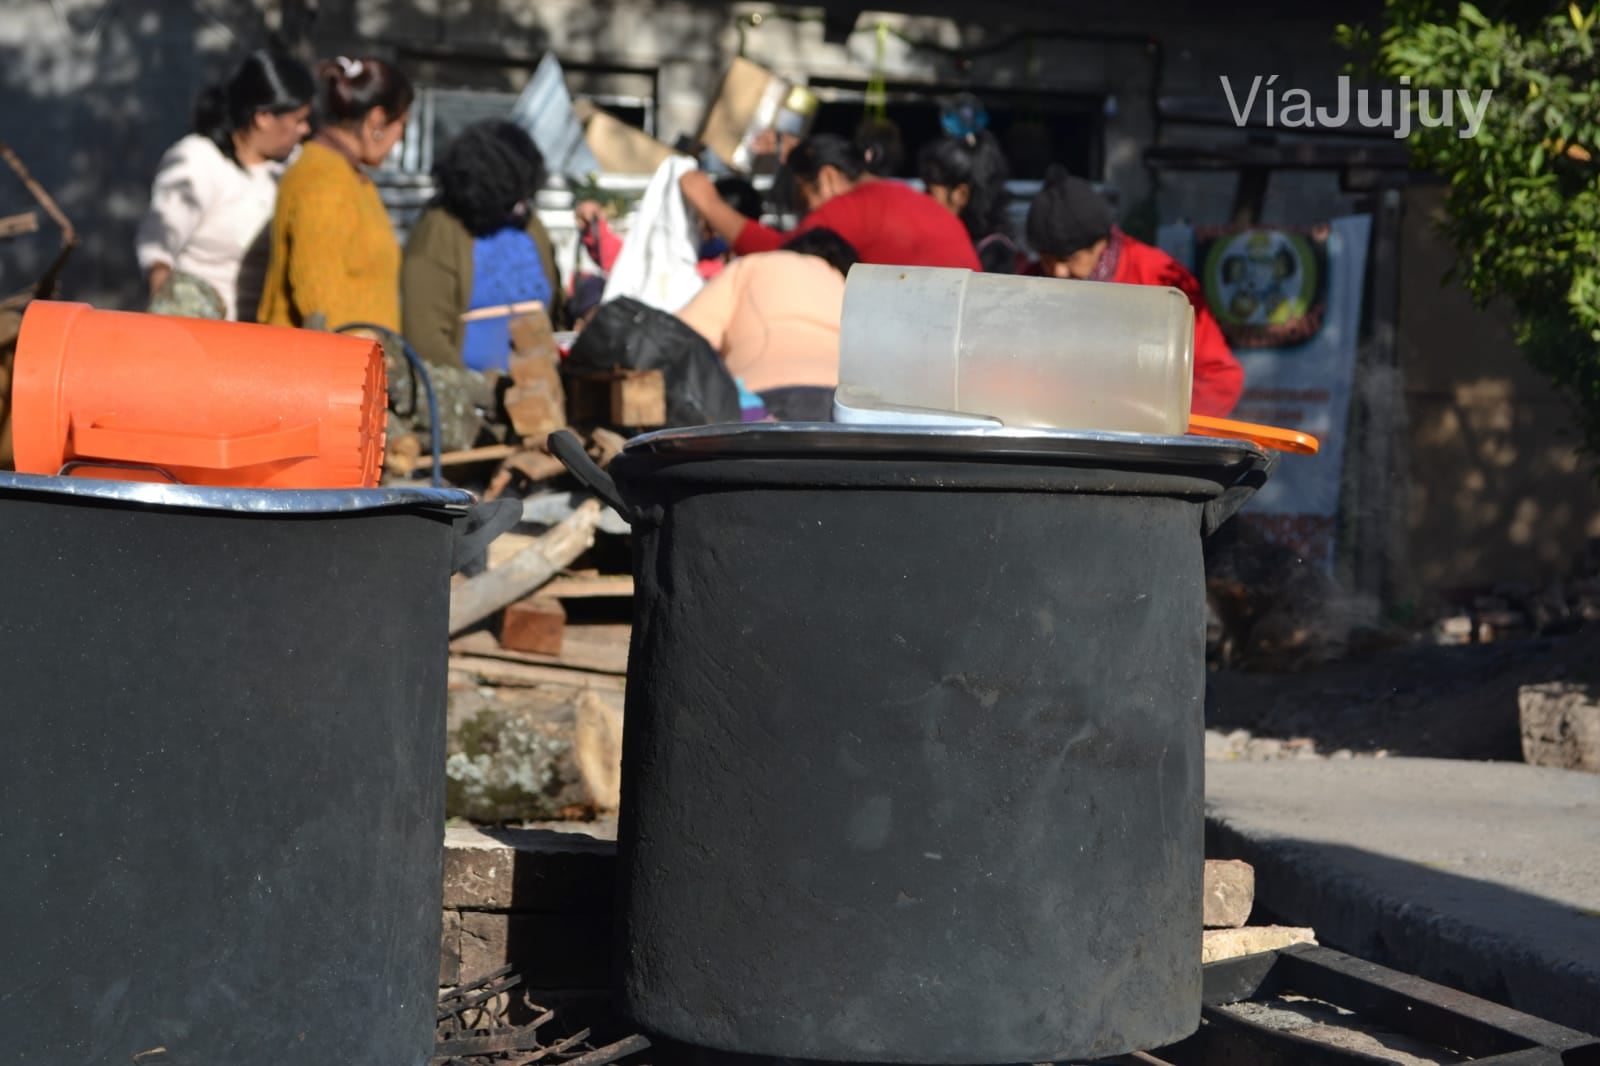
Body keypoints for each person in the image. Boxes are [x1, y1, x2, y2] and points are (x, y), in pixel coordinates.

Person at [1025, 167, 1245, 417]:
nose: (1058, 272)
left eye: (1069, 259)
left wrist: (1162, 428)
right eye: (1047, 259)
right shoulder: (1030, 281)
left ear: (1101, 243)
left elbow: (1219, 377)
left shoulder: (1162, 281)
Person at [135, 50, 314, 320]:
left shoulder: (292, 168)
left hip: (267, 336)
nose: (306, 130)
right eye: (298, 120)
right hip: (201, 334)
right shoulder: (198, 161)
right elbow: (159, 245)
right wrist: (173, 300)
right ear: (263, 117)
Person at [256, 55, 412, 332]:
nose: (401, 137)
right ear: (377, 120)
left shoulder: (351, 177)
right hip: (322, 368)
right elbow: (320, 301)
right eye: (402, 124)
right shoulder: (321, 178)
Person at [401, 120, 566, 374]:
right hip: (467, 398)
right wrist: (482, 392)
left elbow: (554, 305)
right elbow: (425, 337)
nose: (522, 205)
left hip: (539, 395)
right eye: (514, 195)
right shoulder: (439, 231)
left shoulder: (530, 226)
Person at [680, 133, 980, 270]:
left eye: (805, 199)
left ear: (827, 178)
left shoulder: (852, 207)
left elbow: (781, 255)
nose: (810, 214)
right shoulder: (908, 198)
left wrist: (710, 204)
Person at [675, 227, 858, 421]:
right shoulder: (849, 285)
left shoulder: (752, 266)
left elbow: (679, 338)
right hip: (846, 403)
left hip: (758, 401)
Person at [575, 175, 760, 282]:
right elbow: (632, 263)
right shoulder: (690, 248)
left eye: (707, 218)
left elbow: (645, 272)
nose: (699, 223)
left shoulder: (735, 273)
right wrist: (596, 229)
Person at [919, 95, 1024, 274]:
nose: (923, 199)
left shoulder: (993, 255)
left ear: (961, 194)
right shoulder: (949, 240)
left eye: (930, 192)